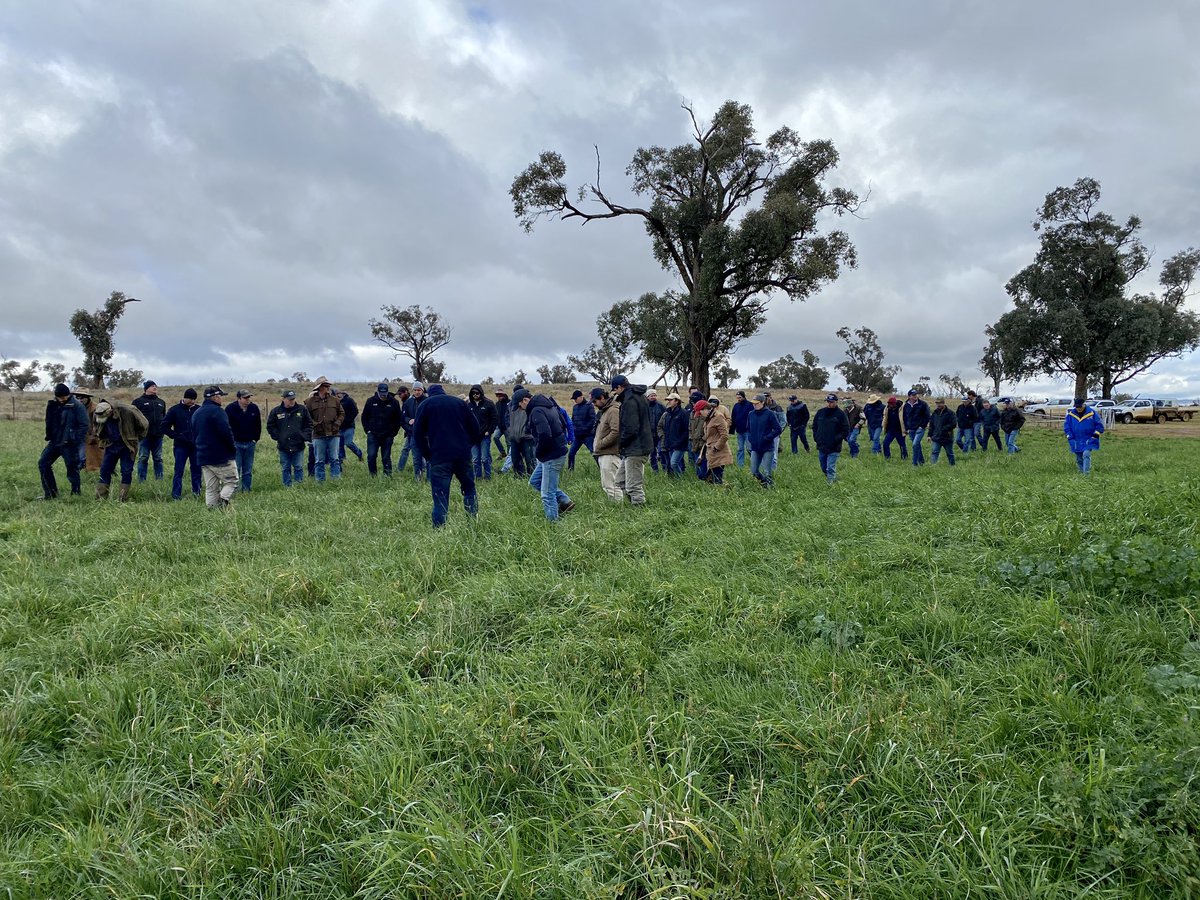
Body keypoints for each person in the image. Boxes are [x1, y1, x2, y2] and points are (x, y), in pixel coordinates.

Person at [413, 384, 478, 527]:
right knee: (469, 489)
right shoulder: (459, 403)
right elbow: (475, 428)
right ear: (443, 392)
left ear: (429, 394)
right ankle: (473, 523)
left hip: (439, 457)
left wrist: (428, 455)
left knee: (440, 496)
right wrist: (467, 447)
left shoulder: (425, 405)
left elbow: (417, 434)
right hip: (462, 456)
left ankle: (439, 530)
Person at [519, 390, 573, 520]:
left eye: (520, 405)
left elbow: (545, 434)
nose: (520, 408)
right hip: (555, 451)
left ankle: (553, 524)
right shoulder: (549, 406)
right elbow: (563, 423)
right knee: (534, 481)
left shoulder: (537, 410)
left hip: (551, 455)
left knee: (547, 494)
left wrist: (538, 452)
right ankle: (565, 501)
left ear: (525, 400)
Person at [38, 383, 89, 500]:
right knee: (43, 463)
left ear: (69, 394)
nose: (63, 399)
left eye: (65, 396)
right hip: (55, 441)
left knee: (72, 469)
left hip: (69, 444)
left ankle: (75, 494)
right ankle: (50, 494)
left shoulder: (77, 406)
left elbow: (84, 425)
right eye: (60, 397)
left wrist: (74, 439)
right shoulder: (53, 404)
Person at [93, 399, 148, 501]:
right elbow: (96, 425)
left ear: (110, 411)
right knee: (104, 471)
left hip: (127, 446)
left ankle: (123, 498)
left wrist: (135, 439)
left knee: (126, 471)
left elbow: (144, 425)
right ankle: (100, 498)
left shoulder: (128, 411)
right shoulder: (98, 411)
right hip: (110, 445)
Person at [194, 386, 239, 508]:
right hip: (221, 456)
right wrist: (232, 448)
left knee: (211, 488)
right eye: (220, 396)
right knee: (232, 481)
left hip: (203, 456)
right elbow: (226, 432)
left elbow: (194, 433)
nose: (221, 399)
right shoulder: (218, 412)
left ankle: (211, 510)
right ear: (215, 397)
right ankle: (223, 501)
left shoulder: (196, 413)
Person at [611, 375, 652, 506]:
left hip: (636, 448)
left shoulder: (629, 401)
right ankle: (632, 505)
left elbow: (631, 428)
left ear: (619, 387)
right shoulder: (640, 396)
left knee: (633, 486)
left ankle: (640, 510)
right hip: (637, 446)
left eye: (615, 390)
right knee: (620, 481)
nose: (615, 393)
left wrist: (621, 443)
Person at [267, 389, 313, 486]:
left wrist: (303, 436)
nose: (292, 401)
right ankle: (287, 486)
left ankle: (299, 486)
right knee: (285, 467)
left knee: (298, 466)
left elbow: (309, 424)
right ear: (284, 399)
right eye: (289, 399)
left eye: (293, 399)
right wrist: (278, 437)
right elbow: (270, 426)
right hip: (283, 446)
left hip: (298, 445)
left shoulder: (302, 409)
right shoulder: (276, 411)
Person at [162, 388, 201, 500]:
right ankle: (176, 495)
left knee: (197, 471)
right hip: (180, 446)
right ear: (184, 398)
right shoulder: (174, 410)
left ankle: (197, 494)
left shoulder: (199, 410)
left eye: (194, 399)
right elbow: (164, 426)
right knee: (179, 471)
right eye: (190, 399)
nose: (192, 401)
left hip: (196, 446)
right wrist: (177, 435)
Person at [305, 376, 345, 482]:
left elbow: (341, 413)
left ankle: (336, 481)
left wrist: (337, 423)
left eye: (328, 386)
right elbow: (307, 416)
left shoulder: (335, 400)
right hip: (318, 435)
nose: (328, 388)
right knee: (319, 461)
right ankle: (320, 481)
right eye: (326, 386)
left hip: (334, 434)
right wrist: (315, 425)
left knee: (335, 459)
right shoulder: (309, 402)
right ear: (319, 387)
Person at [361, 382, 402, 476]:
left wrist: (393, 433)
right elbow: (364, 417)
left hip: (388, 435)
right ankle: (373, 475)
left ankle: (387, 475)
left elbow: (398, 419)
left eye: (385, 393)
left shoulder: (394, 402)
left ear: (387, 392)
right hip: (373, 434)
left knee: (386, 456)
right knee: (371, 455)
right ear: (378, 392)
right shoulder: (370, 401)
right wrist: (367, 430)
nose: (383, 396)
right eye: (381, 394)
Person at [590, 387, 623, 500]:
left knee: (612, 486)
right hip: (605, 453)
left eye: (595, 401)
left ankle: (618, 507)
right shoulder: (605, 410)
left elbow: (616, 431)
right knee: (607, 485)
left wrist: (600, 444)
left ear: (602, 397)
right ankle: (617, 506)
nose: (594, 404)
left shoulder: (613, 410)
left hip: (610, 454)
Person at [226, 389, 262, 492]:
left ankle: (246, 490)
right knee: (235, 469)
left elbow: (258, 425)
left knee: (248, 469)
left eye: (249, 397)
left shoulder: (254, 408)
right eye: (245, 398)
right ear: (239, 398)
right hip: (236, 443)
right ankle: (234, 490)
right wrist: (230, 441)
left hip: (250, 443)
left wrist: (255, 439)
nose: (248, 399)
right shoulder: (230, 408)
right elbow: (226, 426)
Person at [131, 380, 166, 482]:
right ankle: (141, 481)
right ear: (146, 389)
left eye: (155, 386)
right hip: (144, 436)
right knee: (143, 458)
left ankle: (159, 480)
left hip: (158, 436)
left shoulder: (161, 402)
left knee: (158, 458)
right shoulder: (137, 402)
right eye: (152, 386)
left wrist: (162, 430)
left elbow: (164, 417)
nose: (155, 387)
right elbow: (133, 418)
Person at [811, 393, 850, 484]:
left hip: (834, 446)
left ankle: (830, 484)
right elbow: (814, 426)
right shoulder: (820, 412)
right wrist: (816, 437)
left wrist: (836, 439)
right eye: (828, 401)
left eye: (831, 402)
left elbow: (846, 430)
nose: (829, 403)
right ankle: (833, 479)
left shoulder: (841, 414)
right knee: (823, 467)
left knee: (830, 467)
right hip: (822, 445)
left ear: (836, 402)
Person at [747, 393, 782, 487]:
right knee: (754, 471)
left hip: (767, 448)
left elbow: (778, 429)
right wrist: (750, 438)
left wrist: (768, 438)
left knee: (767, 472)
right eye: (753, 403)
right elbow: (748, 429)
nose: (754, 405)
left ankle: (769, 488)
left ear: (763, 402)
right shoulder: (751, 414)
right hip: (755, 448)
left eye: (756, 403)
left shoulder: (770, 414)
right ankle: (764, 483)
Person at [1063, 397, 1104, 474]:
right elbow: (1067, 426)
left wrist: (1096, 434)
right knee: (1079, 458)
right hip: (1076, 440)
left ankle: (1086, 474)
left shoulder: (1092, 413)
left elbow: (1099, 424)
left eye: (1080, 406)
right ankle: (1081, 472)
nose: (1078, 408)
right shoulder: (1071, 415)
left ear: (1084, 405)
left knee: (1086, 454)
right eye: (1077, 407)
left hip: (1089, 439)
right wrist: (1069, 436)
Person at [465, 384, 498, 479]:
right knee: (475, 459)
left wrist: (489, 431)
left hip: (485, 435)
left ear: (481, 393)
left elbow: (495, 418)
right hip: (473, 437)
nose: (475, 395)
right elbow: (465, 420)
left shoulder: (489, 403)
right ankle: (478, 477)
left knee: (484, 458)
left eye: (477, 393)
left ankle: (487, 476)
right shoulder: (469, 405)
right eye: (473, 393)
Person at [700, 398, 733, 484]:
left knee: (716, 478)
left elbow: (724, 435)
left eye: (700, 412)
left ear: (705, 409)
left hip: (719, 452)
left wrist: (716, 447)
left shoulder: (718, 416)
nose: (700, 415)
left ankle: (723, 490)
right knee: (709, 478)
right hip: (710, 452)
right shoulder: (708, 418)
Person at [657, 391, 689, 477]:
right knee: (672, 464)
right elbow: (664, 428)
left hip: (680, 444)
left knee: (674, 463)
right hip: (670, 444)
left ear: (677, 401)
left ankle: (680, 479)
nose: (669, 402)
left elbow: (686, 430)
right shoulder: (667, 414)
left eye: (671, 400)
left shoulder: (683, 413)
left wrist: (679, 442)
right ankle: (679, 479)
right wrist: (665, 440)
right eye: (668, 400)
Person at [505, 384, 533, 477]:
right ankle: (519, 476)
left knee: (530, 459)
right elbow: (506, 417)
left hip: (527, 437)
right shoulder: (510, 404)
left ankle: (531, 477)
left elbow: (532, 419)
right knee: (515, 459)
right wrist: (509, 429)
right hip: (514, 437)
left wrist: (527, 430)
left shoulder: (529, 404)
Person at [567, 389, 597, 470]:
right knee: (571, 453)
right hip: (578, 436)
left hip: (588, 436)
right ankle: (570, 471)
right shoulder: (575, 407)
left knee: (594, 453)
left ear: (581, 397)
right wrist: (574, 429)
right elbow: (573, 419)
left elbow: (593, 419)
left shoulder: (589, 406)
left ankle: (601, 468)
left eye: (576, 398)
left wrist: (585, 429)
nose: (575, 400)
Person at [902, 389, 931, 466]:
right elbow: (905, 417)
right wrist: (907, 428)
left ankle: (914, 463)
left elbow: (927, 416)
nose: (915, 396)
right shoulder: (906, 405)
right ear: (909, 396)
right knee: (917, 445)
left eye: (916, 394)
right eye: (913, 395)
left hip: (920, 429)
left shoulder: (923, 404)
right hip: (911, 429)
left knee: (915, 444)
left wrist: (922, 426)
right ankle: (921, 461)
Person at [335, 388, 364, 463]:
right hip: (338, 427)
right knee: (339, 444)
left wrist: (348, 420)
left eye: (339, 393)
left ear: (343, 394)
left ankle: (359, 453)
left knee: (348, 443)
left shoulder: (349, 400)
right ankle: (340, 460)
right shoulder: (335, 402)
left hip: (349, 426)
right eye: (336, 394)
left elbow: (355, 411)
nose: (337, 395)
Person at [928, 398, 957, 466]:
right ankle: (933, 466)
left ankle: (952, 466)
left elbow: (953, 424)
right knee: (934, 452)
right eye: (937, 403)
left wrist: (944, 429)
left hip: (947, 437)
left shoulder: (950, 413)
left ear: (943, 403)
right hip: (936, 437)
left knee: (950, 453)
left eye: (940, 403)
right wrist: (929, 435)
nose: (938, 405)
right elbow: (931, 425)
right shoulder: (934, 413)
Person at [765, 392, 786, 473]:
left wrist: (778, 432)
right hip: (764, 434)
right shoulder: (762, 407)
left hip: (774, 434)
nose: (766, 399)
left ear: (770, 397)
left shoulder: (777, 408)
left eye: (767, 397)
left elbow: (783, 421)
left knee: (773, 454)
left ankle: (773, 472)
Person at [646, 388, 666, 472]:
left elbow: (665, 418)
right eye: (651, 395)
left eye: (654, 395)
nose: (653, 397)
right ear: (647, 397)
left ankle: (665, 469)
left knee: (661, 451)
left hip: (660, 433)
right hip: (649, 435)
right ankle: (655, 470)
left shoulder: (661, 406)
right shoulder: (645, 407)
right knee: (652, 453)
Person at [881, 396, 908, 460]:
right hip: (890, 430)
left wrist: (906, 428)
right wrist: (883, 426)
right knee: (885, 443)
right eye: (888, 404)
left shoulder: (902, 408)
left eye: (890, 404)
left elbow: (906, 418)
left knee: (902, 445)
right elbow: (885, 417)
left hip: (900, 430)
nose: (889, 405)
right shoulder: (887, 409)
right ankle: (887, 457)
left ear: (894, 404)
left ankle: (904, 458)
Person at [731, 390, 753, 466]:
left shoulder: (750, 405)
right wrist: (732, 430)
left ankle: (755, 462)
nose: (738, 399)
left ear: (743, 397)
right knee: (740, 449)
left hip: (748, 431)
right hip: (739, 431)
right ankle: (740, 464)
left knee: (750, 448)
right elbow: (733, 417)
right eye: (737, 398)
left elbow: (753, 417)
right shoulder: (736, 406)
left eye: (740, 397)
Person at [686, 390, 706, 470]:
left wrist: (703, 439)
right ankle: (693, 473)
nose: (693, 404)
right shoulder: (692, 413)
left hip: (702, 441)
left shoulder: (706, 412)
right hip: (692, 440)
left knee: (700, 459)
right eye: (692, 402)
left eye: (695, 402)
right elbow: (690, 427)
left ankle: (701, 474)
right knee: (691, 458)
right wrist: (690, 437)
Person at [492, 388, 510, 462]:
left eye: (500, 396)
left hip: (507, 427)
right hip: (499, 426)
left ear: (503, 395)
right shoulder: (497, 404)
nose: (499, 397)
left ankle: (509, 458)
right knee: (495, 437)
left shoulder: (509, 403)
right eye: (497, 396)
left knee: (508, 442)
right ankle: (502, 453)